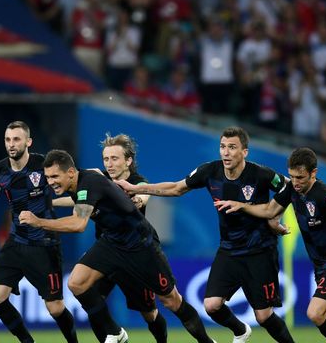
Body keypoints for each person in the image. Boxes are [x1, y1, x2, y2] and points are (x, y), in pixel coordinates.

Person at [115, 126, 295, 343]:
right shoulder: (210, 172)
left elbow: (290, 187)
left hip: (260, 250)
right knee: (211, 305)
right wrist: (136, 189)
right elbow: (176, 188)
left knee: (264, 316)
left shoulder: (261, 174)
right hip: (229, 249)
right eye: (222, 147)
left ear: (244, 152)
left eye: (232, 147)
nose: (226, 152)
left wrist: (273, 217)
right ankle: (240, 330)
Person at [19, 149, 215, 343]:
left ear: (70, 172)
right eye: (48, 177)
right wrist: (47, 204)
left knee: (171, 301)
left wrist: (39, 221)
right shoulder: (78, 183)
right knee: (76, 282)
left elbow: (78, 224)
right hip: (112, 242)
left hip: (140, 244)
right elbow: (78, 199)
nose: (51, 181)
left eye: (55, 176)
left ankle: (207, 341)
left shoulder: (89, 183)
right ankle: (115, 333)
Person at [215, 147, 326, 343]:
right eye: (292, 176)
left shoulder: (324, 194)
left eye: (300, 177)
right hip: (320, 266)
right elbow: (269, 210)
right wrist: (242, 206)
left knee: (315, 313)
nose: (295, 183)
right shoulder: (291, 189)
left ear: (313, 173)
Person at [0, 121, 78, 343]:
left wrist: (83, 199)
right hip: (16, 241)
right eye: (8, 140)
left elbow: (72, 182)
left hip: (44, 243)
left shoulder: (43, 164)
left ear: (28, 141)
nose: (11, 144)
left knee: (56, 308)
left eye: (17, 139)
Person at [51, 133, 168, 342]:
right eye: (106, 159)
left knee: (149, 314)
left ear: (128, 161)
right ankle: (114, 335)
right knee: (92, 302)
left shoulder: (137, 181)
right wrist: (51, 203)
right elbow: (81, 200)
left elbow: (142, 195)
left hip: (133, 252)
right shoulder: (97, 180)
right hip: (106, 251)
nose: (109, 164)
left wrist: (140, 199)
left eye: (114, 159)